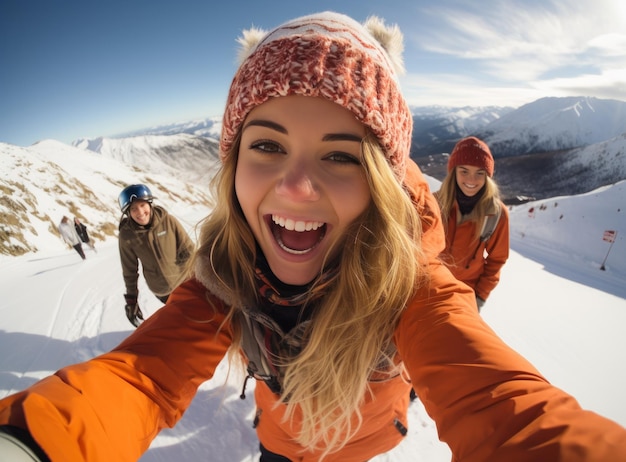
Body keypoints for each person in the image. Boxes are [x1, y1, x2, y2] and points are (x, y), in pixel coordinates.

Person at [0, 12, 625, 462]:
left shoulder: (413, 286)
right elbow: (140, 377)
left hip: (365, 443)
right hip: (279, 438)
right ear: (233, 165)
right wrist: (29, 443)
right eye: (268, 145)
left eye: (342, 156)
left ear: (382, 181)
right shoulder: (224, 275)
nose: (296, 187)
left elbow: (502, 407)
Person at [435, 136, 510, 312]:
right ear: (453, 172)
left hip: (466, 294)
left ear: (488, 176)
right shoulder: (434, 204)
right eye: (464, 171)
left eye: (479, 173)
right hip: (429, 287)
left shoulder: (496, 214)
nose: (471, 180)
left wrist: (480, 297)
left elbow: (496, 259)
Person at [117, 183, 194, 327]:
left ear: (150, 204)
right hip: (162, 290)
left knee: (198, 316)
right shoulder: (127, 236)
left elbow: (188, 250)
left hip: (185, 282)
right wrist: (131, 300)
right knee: (183, 320)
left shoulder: (169, 221)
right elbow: (130, 271)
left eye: (142, 205)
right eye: (133, 209)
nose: (140, 212)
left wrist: (199, 277)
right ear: (128, 213)